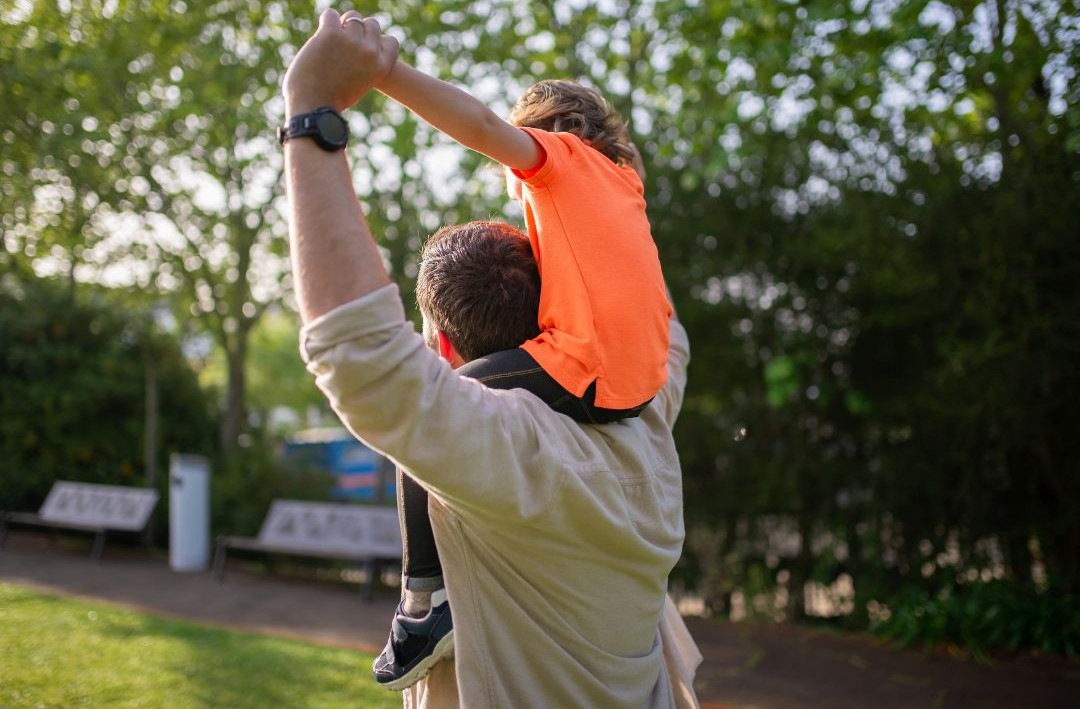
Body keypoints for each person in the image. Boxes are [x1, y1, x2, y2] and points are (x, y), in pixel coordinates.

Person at [280, 9, 696, 708]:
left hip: (563, 375)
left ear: (439, 341)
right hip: (608, 390)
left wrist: (319, 103)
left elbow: (369, 366)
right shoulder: (652, 406)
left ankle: (424, 599)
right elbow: (649, 300)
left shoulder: (506, 449)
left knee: (413, 442)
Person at [371, 29, 673, 689]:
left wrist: (383, 73)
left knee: (424, 411)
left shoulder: (557, 160)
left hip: (587, 370)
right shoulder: (624, 181)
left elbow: (475, 121)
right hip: (643, 380)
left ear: (542, 133)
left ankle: (424, 602)